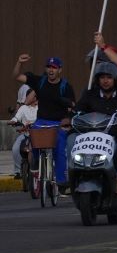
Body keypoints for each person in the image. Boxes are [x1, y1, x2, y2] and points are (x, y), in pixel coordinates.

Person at [70, 61, 117, 198]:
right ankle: (70, 176)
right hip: (90, 142)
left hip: (115, 141)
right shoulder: (89, 94)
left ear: (115, 79)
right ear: (97, 79)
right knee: (70, 138)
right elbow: (77, 110)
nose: (105, 81)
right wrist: (72, 116)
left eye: (109, 77)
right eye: (102, 77)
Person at [12, 52, 75, 191]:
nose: (51, 70)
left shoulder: (65, 86)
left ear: (60, 70)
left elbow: (73, 105)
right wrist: (19, 62)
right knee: (33, 140)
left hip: (59, 123)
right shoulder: (39, 81)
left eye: (54, 67)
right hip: (41, 121)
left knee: (60, 148)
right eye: (48, 67)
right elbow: (17, 76)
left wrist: (67, 118)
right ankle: (34, 165)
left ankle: (61, 181)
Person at [9, 90, 37, 179]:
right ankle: (18, 172)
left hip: (38, 135)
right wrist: (13, 121)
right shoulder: (23, 108)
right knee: (15, 148)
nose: (27, 98)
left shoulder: (42, 107)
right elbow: (16, 118)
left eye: (31, 96)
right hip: (25, 134)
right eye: (27, 96)